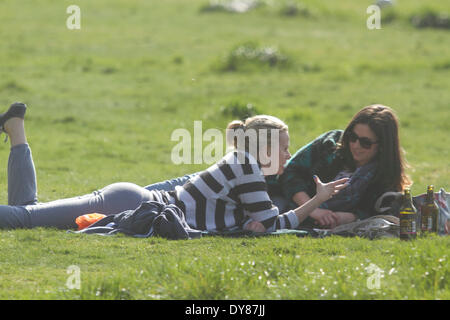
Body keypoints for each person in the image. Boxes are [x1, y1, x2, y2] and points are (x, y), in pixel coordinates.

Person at [0, 102, 348, 233]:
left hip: (131, 202)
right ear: (265, 147)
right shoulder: (246, 166)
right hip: (128, 204)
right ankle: (16, 131)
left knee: (28, 215)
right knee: (28, 218)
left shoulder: (244, 166)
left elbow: (262, 220)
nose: (288, 156)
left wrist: (256, 223)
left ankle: (16, 131)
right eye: (284, 148)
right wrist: (316, 201)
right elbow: (271, 223)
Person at [146, 104, 412, 229]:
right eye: (352, 136)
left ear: (383, 146)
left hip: (276, 202)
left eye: (365, 142)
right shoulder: (332, 143)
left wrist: (345, 218)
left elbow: (373, 207)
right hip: (267, 186)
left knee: (172, 202)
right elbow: (292, 171)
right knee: (161, 193)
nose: (355, 145)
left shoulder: (383, 176)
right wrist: (316, 208)